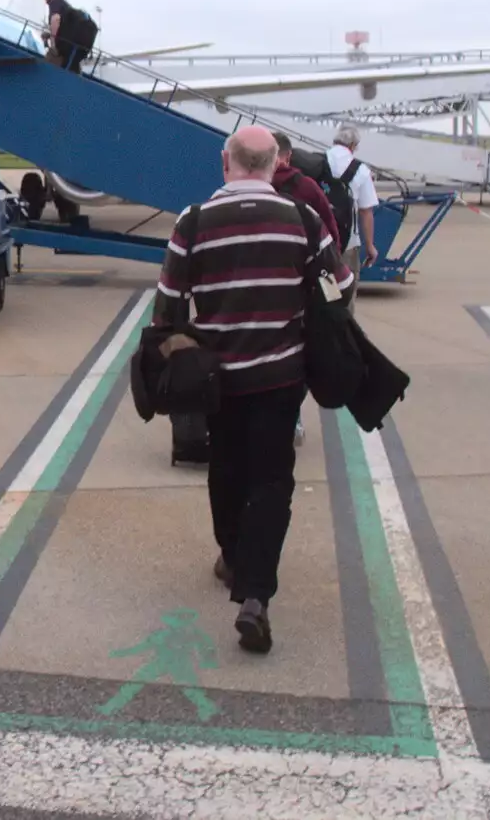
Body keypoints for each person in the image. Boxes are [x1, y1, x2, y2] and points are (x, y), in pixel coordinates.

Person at [153, 124, 352, 654]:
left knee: (225, 468)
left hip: (219, 380)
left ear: (226, 162)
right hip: (280, 377)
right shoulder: (304, 220)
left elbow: (167, 306)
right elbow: (341, 287)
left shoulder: (191, 223)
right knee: (272, 481)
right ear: (274, 166)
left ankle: (233, 556)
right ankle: (256, 597)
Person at [270, 130, 340, 449]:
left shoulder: (246, 187)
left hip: (258, 289)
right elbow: (331, 237)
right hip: (301, 287)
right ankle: (291, 414)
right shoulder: (307, 188)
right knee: (299, 352)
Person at [325, 125, 379, 312]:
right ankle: (346, 333)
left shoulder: (319, 162)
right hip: (348, 245)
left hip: (323, 245)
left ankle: (327, 332)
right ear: (353, 145)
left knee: (329, 294)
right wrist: (370, 246)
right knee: (346, 297)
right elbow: (366, 211)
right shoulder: (361, 170)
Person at [38, 0, 96, 71]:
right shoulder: (66, 5)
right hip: (73, 48)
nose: (45, 0)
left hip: (64, 49)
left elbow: (55, 19)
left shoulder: (55, 2)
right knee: (70, 70)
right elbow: (65, 30)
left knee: (44, 70)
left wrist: (53, 44)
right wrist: (49, 35)